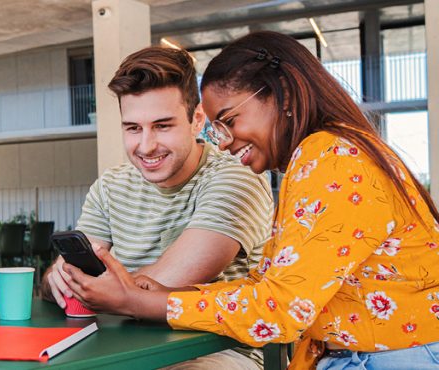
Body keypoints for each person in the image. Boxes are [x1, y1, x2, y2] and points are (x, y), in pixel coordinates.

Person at [63, 31, 439, 369]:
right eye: (219, 127)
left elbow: (283, 309)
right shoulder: (321, 155)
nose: (223, 140)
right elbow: (271, 285)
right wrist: (165, 294)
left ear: (284, 96)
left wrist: (139, 301)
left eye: (228, 120)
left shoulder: (331, 157)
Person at [40, 46, 274, 368]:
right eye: (133, 128)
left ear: (196, 121)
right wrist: (57, 278)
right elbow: (69, 272)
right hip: (120, 346)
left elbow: (153, 290)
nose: (146, 146)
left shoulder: (236, 178)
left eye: (162, 126)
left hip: (215, 351)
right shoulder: (111, 186)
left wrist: (83, 287)